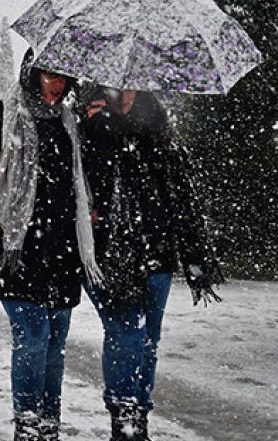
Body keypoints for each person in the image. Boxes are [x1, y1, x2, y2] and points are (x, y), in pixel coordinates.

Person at [0, 50, 102, 441]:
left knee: (54, 342)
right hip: (16, 246)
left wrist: (102, 123)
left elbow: (85, 175)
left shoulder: (71, 122)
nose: (57, 83)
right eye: (49, 73)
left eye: (64, 75)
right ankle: (28, 426)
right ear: (31, 73)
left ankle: (49, 424)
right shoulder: (0, 113)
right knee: (32, 337)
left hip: (63, 247)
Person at [80, 87, 223, 440]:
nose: (124, 93)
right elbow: (78, 186)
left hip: (155, 253)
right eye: (117, 85)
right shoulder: (88, 128)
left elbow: (183, 196)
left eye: (131, 85)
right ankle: (124, 417)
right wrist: (101, 130)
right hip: (108, 255)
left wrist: (195, 255)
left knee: (147, 340)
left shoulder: (158, 130)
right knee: (125, 332)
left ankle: (137, 418)